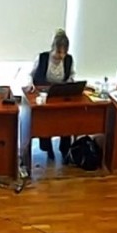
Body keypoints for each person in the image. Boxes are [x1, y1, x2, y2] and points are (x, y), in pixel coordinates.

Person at [25, 29, 76, 161]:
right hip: (44, 94)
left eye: (64, 52)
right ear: (53, 48)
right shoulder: (42, 57)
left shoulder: (69, 59)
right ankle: (47, 148)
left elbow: (71, 75)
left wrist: (71, 83)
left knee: (67, 119)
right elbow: (30, 75)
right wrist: (30, 83)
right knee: (45, 118)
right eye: (59, 52)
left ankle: (65, 149)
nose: (61, 56)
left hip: (60, 95)